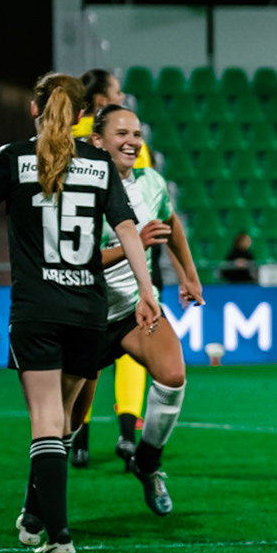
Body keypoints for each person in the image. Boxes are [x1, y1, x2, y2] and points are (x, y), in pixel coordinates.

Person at [0, 72, 158, 553]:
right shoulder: (99, 163)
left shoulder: (13, 158)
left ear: (34, 109)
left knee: (45, 420)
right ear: (81, 117)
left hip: (38, 308)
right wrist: (147, 291)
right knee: (63, 422)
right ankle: (35, 516)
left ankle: (59, 536)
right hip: (87, 310)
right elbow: (127, 231)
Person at [86, 103, 203, 513]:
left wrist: (188, 273)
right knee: (60, 422)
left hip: (138, 309)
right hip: (86, 315)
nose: (132, 142)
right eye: (122, 134)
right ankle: (38, 501)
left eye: (136, 134)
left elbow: (171, 226)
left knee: (172, 376)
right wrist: (132, 244)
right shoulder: (79, 188)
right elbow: (74, 260)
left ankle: (148, 464)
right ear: (97, 141)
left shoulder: (152, 182)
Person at [67, 68, 153, 468]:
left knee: (85, 358)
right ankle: (125, 435)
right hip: (124, 260)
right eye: (116, 93)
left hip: (72, 265)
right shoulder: (125, 139)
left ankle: (77, 440)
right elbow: (143, 189)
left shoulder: (64, 138)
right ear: (102, 100)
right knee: (130, 356)